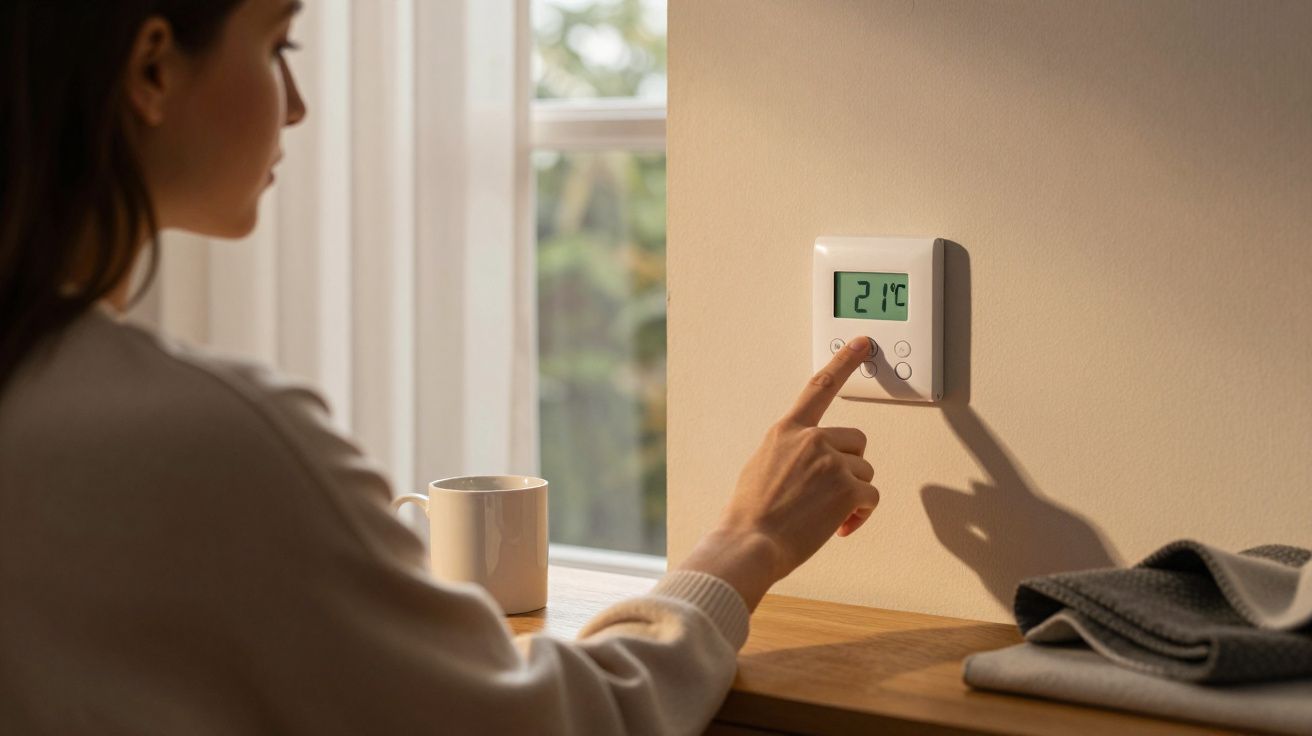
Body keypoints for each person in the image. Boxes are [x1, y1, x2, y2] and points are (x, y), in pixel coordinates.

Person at [0, 1, 881, 733]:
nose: (297, 106)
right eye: (278, 47)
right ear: (153, 69)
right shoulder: (216, 441)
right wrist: (745, 542)